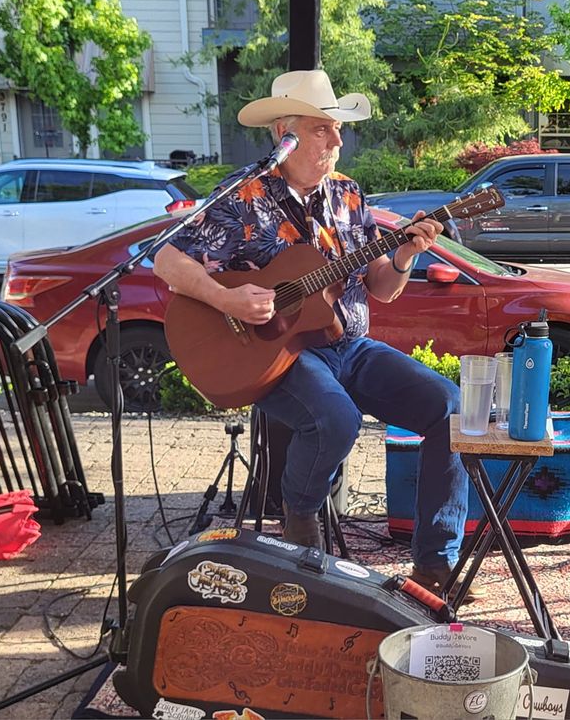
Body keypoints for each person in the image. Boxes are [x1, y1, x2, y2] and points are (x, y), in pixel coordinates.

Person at [153, 70, 477, 600]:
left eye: (337, 130)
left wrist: (403, 254)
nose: (337, 140)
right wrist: (228, 298)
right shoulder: (244, 195)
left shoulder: (348, 195)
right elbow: (167, 258)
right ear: (286, 135)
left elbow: (383, 289)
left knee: (450, 407)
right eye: (323, 128)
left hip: (348, 344)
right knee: (335, 419)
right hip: (277, 352)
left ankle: (434, 569)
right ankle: (300, 520)